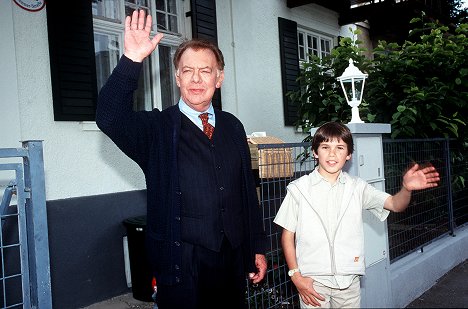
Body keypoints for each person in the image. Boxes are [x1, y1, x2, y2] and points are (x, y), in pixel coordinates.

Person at [96, 9, 268, 309]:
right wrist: (132, 59)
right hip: (182, 262)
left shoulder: (233, 126)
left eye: (205, 70)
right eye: (188, 70)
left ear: (219, 78)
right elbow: (109, 117)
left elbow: (245, 193)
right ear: (177, 78)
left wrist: (256, 247)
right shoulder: (158, 129)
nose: (196, 79)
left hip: (231, 258)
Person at [273, 122, 440, 308]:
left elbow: (394, 204)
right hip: (312, 281)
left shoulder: (358, 187)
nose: (332, 154)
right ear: (315, 152)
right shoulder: (299, 189)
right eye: (325, 147)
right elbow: (287, 235)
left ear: (349, 155)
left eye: (340, 148)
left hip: (349, 281)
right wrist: (296, 276)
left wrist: (406, 189)